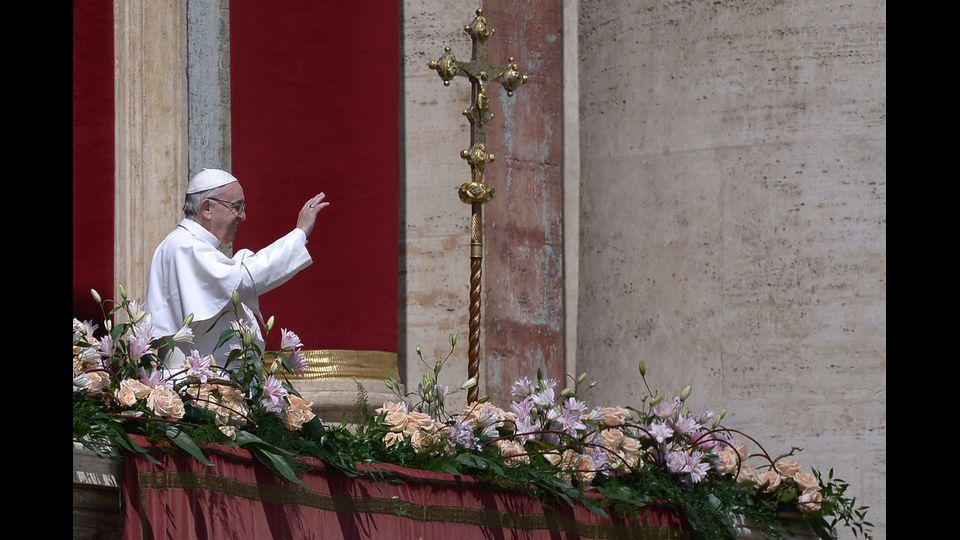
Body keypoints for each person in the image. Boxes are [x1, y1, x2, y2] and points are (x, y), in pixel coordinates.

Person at [145, 168, 329, 372]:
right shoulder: (184, 246)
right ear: (207, 208)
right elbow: (242, 280)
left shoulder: (193, 247)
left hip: (208, 386)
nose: (243, 216)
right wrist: (299, 233)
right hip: (192, 388)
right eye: (237, 207)